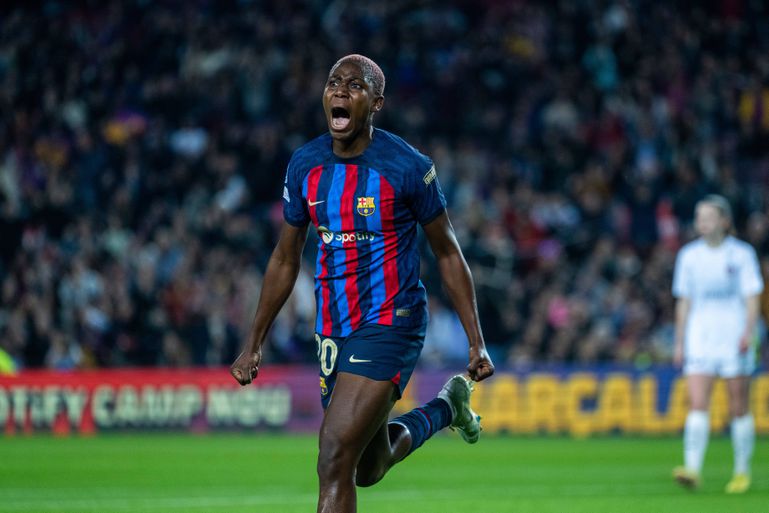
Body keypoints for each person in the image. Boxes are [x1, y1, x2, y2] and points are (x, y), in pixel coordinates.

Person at [230, 54, 495, 512]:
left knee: (333, 454)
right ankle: (447, 408)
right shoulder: (305, 165)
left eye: (355, 85)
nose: (341, 90)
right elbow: (284, 257)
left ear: (376, 103)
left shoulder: (407, 167)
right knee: (365, 469)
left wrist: (476, 341)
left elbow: (448, 252)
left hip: (393, 319)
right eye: (334, 82)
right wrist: (253, 342)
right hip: (334, 325)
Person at [671, 194, 764, 493]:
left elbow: (752, 298)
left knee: (738, 405)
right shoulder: (688, 256)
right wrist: (680, 341)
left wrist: (749, 332)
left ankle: (741, 472)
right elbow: (683, 302)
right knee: (698, 402)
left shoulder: (741, 254)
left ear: (725, 221)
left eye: (708, 217)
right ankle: (692, 469)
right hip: (700, 335)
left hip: (733, 333)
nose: (702, 223)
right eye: (699, 217)